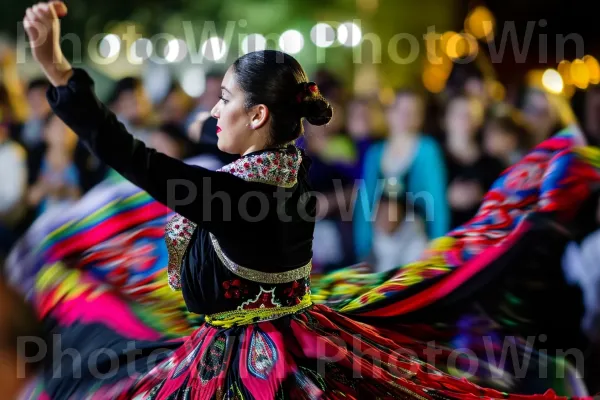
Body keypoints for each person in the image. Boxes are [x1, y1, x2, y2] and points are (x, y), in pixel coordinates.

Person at [19, 2, 596, 399]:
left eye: (224, 100)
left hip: (244, 368)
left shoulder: (232, 195)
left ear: (259, 115)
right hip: (296, 336)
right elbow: (203, 146)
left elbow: (128, 154)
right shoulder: (288, 169)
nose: (213, 112)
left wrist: (58, 70)